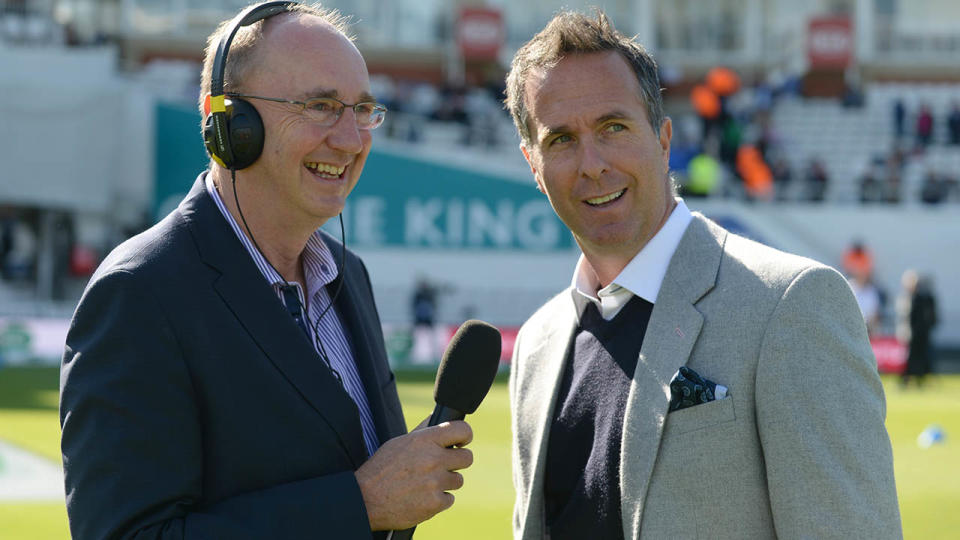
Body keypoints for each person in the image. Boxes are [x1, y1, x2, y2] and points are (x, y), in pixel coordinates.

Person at [59, 3, 473, 539]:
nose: (351, 139)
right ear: (232, 126)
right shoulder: (139, 293)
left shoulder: (350, 275)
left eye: (363, 109)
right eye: (321, 106)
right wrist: (360, 504)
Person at [504, 11, 900, 539]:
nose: (592, 163)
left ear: (664, 139)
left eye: (613, 127)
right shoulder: (537, 343)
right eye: (561, 141)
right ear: (534, 166)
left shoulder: (791, 303)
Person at [897, 270, 938, 388]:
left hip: (920, 333)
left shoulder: (921, 298)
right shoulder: (908, 297)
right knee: (910, 356)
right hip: (912, 333)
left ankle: (919, 378)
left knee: (920, 355)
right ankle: (908, 379)